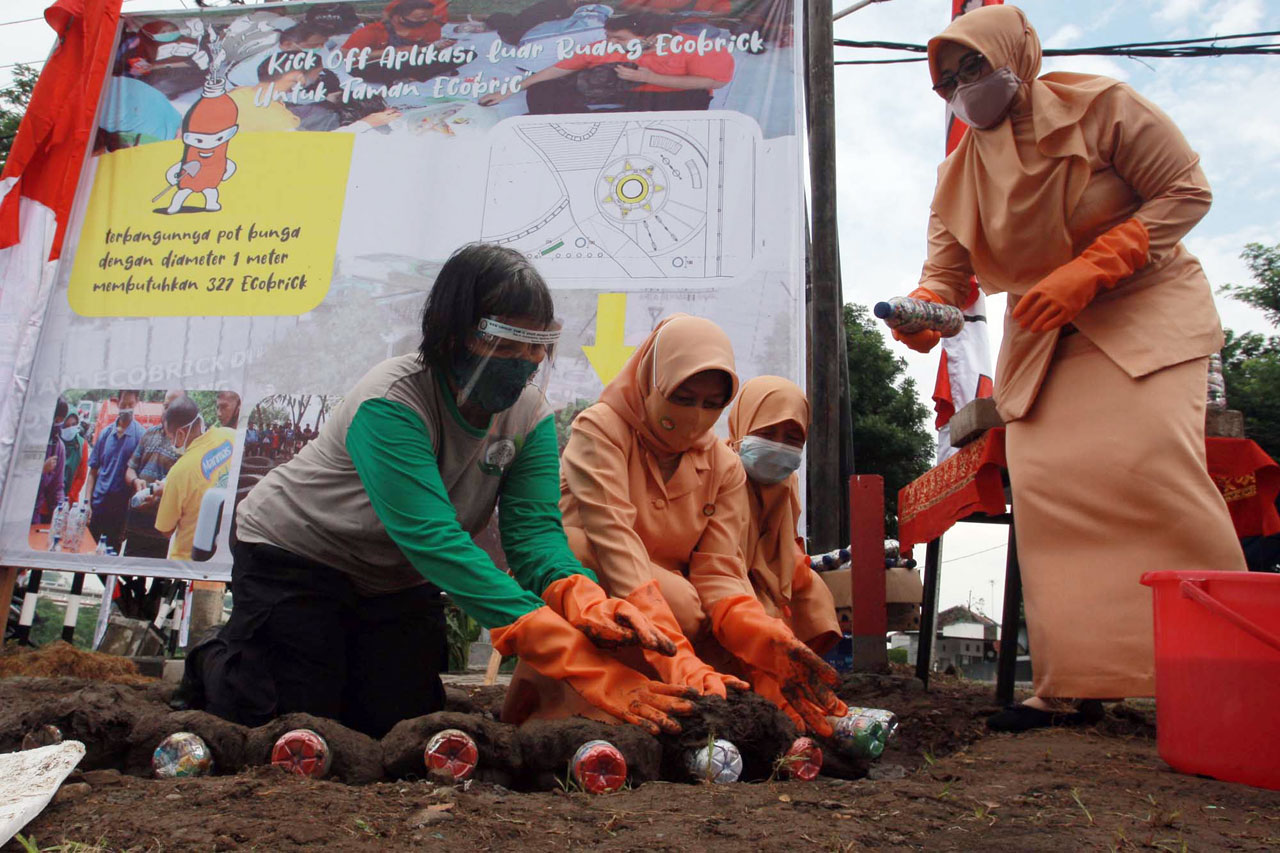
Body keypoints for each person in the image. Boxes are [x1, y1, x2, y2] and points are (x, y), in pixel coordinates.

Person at [889, 6, 1246, 731]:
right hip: (1048, 332)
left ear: (1016, 57)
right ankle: (1070, 683)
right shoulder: (957, 175)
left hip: (1146, 307)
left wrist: (1096, 265)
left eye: (973, 68)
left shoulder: (1101, 106)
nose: (962, 87)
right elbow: (946, 276)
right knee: (1047, 481)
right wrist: (921, 312)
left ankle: (1228, 667)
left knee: (1153, 458)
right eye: (947, 80)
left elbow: (1186, 190)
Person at [177, 243, 692, 739]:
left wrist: (585, 599)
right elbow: (432, 539)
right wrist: (587, 667)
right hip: (300, 555)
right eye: (504, 343)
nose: (524, 360)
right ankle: (216, 661)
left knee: (398, 722)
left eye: (537, 345)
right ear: (451, 335)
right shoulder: (392, 403)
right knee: (297, 717)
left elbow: (534, 534)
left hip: (396, 579)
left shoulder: (530, 416)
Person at [536, 314, 846, 736]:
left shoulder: (723, 464)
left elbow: (719, 569)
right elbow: (612, 539)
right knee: (644, 582)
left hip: (681, 613)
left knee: (712, 620)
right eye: (683, 397)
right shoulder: (601, 429)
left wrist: (762, 638)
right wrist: (675, 655)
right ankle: (584, 708)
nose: (696, 417)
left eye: (711, 404)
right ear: (653, 380)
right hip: (591, 591)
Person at [725, 377, 841, 655]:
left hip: (769, 583)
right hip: (719, 581)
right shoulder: (716, 471)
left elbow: (782, 550)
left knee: (813, 593)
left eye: (792, 438)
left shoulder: (787, 484)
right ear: (743, 425)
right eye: (766, 433)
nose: (778, 446)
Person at [479, 13, 733, 115]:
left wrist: (649, 78)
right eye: (608, 37)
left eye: (618, 39)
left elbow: (716, 82)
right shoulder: (606, 47)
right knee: (541, 90)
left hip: (676, 100)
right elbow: (560, 68)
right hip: (626, 90)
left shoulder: (699, 48)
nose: (610, 43)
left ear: (653, 38)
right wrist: (510, 89)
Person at [154, 396, 237, 561]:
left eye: (171, 438)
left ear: (181, 433)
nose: (172, 444)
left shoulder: (179, 471)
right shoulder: (231, 436)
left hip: (190, 562)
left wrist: (165, 494)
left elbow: (166, 530)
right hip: (227, 551)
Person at [341, 0, 464, 86]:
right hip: (377, 65)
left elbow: (426, 48)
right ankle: (416, 74)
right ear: (398, 17)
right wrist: (393, 52)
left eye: (427, 18)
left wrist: (437, 47)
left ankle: (412, 75)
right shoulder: (372, 30)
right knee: (394, 67)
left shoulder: (427, 27)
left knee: (463, 55)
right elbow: (346, 55)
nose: (424, 21)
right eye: (418, 18)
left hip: (409, 61)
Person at [123, 389, 184, 560]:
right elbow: (130, 469)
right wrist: (135, 481)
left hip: (160, 526)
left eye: (173, 407)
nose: (167, 411)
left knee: (156, 578)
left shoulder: (185, 443)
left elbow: (180, 487)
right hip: (135, 521)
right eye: (165, 406)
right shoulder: (148, 433)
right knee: (126, 570)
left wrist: (157, 497)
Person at [85, 390, 145, 552]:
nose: (126, 408)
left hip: (119, 514)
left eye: (130, 405)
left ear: (137, 403)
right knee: (87, 554)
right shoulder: (105, 434)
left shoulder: (140, 436)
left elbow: (138, 481)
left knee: (108, 561)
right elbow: (93, 471)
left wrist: (129, 520)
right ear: (117, 403)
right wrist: (87, 503)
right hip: (97, 508)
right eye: (123, 405)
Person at [33, 398, 69, 525]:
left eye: (60, 421)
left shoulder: (58, 447)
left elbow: (57, 487)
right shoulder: (27, 438)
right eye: (55, 420)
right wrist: (41, 469)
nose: (57, 424)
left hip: (35, 515)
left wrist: (62, 510)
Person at [61, 411, 89, 505]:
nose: (69, 428)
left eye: (73, 424)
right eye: (66, 425)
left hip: (70, 500)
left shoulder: (82, 445)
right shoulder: (55, 442)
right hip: (48, 501)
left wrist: (68, 498)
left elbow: (81, 476)